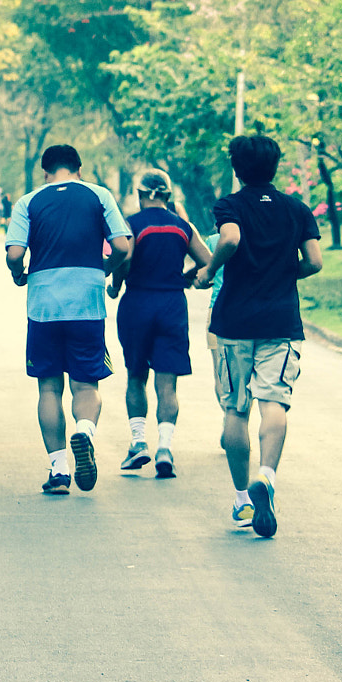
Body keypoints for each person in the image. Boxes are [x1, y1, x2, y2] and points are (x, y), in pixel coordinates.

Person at [196, 134, 324, 537]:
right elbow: (314, 262)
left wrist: (209, 269)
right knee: (274, 404)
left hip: (234, 322)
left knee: (236, 409)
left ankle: (242, 500)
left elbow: (230, 238)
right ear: (275, 166)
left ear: (237, 169)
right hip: (281, 322)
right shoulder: (296, 209)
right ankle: (266, 476)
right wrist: (286, 275)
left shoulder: (230, 205)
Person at [5, 144, 131, 494]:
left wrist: (19, 274)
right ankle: (85, 431)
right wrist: (104, 269)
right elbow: (122, 247)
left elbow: (15, 253)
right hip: (87, 301)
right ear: (79, 167)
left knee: (48, 386)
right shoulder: (98, 195)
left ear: (45, 172)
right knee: (86, 384)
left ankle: (59, 469)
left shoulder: (28, 202)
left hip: (43, 302)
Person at [108, 169, 213, 478]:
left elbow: (124, 258)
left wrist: (115, 286)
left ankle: (139, 442)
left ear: (141, 195)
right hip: (172, 305)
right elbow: (207, 261)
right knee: (167, 382)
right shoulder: (183, 226)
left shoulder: (132, 224)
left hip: (138, 303)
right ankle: (164, 447)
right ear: (168, 196)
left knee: (136, 375)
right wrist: (185, 278)